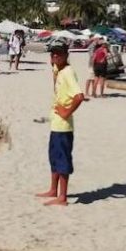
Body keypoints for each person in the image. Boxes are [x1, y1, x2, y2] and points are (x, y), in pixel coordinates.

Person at [36, 44, 84, 206]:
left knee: (62, 160)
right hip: (56, 124)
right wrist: (54, 68)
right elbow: (56, 88)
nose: (55, 58)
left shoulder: (69, 72)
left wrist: (67, 112)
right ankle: (52, 190)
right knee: (54, 158)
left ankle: (62, 197)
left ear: (66, 55)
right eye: (53, 55)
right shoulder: (60, 70)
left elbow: (79, 96)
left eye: (58, 55)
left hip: (63, 126)